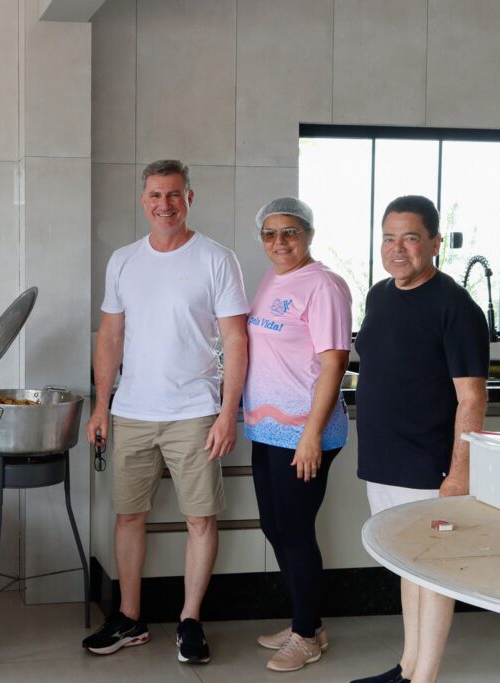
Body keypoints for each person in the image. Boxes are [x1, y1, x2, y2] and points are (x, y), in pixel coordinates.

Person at [82, 159, 249, 664]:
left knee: (199, 518)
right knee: (128, 514)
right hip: (131, 409)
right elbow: (110, 337)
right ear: (144, 200)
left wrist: (226, 412)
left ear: (189, 198)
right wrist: (101, 406)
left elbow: (237, 340)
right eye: (155, 195)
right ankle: (129, 617)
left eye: (174, 194)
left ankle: (190, 620)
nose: (165, 204)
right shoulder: (123, 261)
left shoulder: (217, 259)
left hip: (196, 411)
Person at [352, 195, 489, 683]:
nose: (397, 248)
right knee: (407, 565)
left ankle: (424, 677)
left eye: (410, 237)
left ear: (433, 242)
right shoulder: (380, 295)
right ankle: (407, 668)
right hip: (384, 460)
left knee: (433, 572)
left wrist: (459, 473)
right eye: (389, 237)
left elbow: (472, 399)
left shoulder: (455, 306)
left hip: (429, 465)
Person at [242, 197, 352, 673]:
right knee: (274, 527)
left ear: (308, 233)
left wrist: (310, 435)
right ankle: (307, 621)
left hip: (305, 434)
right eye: (270, 233)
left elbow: (335, 364)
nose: (279, 242)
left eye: (289, 232)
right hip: (267, 428)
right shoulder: (273, 278)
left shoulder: (324, 285)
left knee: (295, 530)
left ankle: (306, 636)